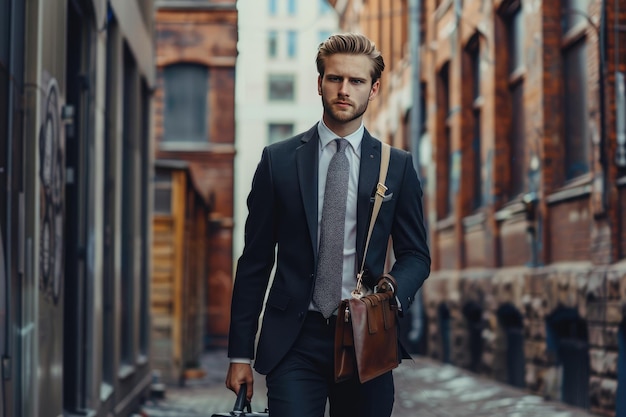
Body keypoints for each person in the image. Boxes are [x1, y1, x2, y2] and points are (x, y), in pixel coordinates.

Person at [226, 32, 430, 417]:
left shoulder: (396, 166)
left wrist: (389, 293)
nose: (344, 89)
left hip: (366, 338)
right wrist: (240, 354)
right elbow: (254, 262)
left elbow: (416, 255)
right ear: (319, 83)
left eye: (356, 81)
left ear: (373, 90)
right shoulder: (278, 161)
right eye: (335, 78)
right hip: (294, 339)